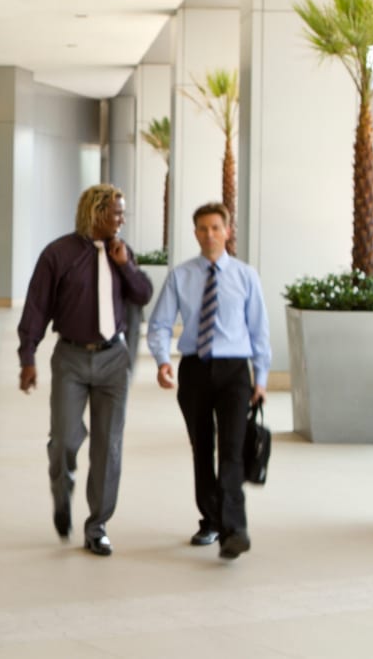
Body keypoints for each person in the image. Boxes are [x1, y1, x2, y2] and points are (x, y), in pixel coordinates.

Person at [16, 184, 153, 557]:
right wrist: (27, 358)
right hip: (72, 359)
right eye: (117, 213)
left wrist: (125, 265)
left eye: (123, 213)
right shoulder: (58, 254)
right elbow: (36, 308)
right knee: (65, 439)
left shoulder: (122, 253)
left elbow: (143, 294)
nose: (122, 220)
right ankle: (62, 495)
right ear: (95, 213)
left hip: (114, 359)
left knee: (108, 446)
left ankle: (98, 526)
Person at [146, 202, 270, 560]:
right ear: (195, 233)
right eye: (202, 228)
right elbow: (160, 324)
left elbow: (259, 329)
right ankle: (211, 519)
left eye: (216, 227)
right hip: (195, 369)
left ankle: (234, 529)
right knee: (202, 448)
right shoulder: (181, 276)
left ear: (227, 231)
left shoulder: (246, 276)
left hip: (234, 371)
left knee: (231, 450)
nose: (209, 234)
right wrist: (162, 361)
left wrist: (260, 377)